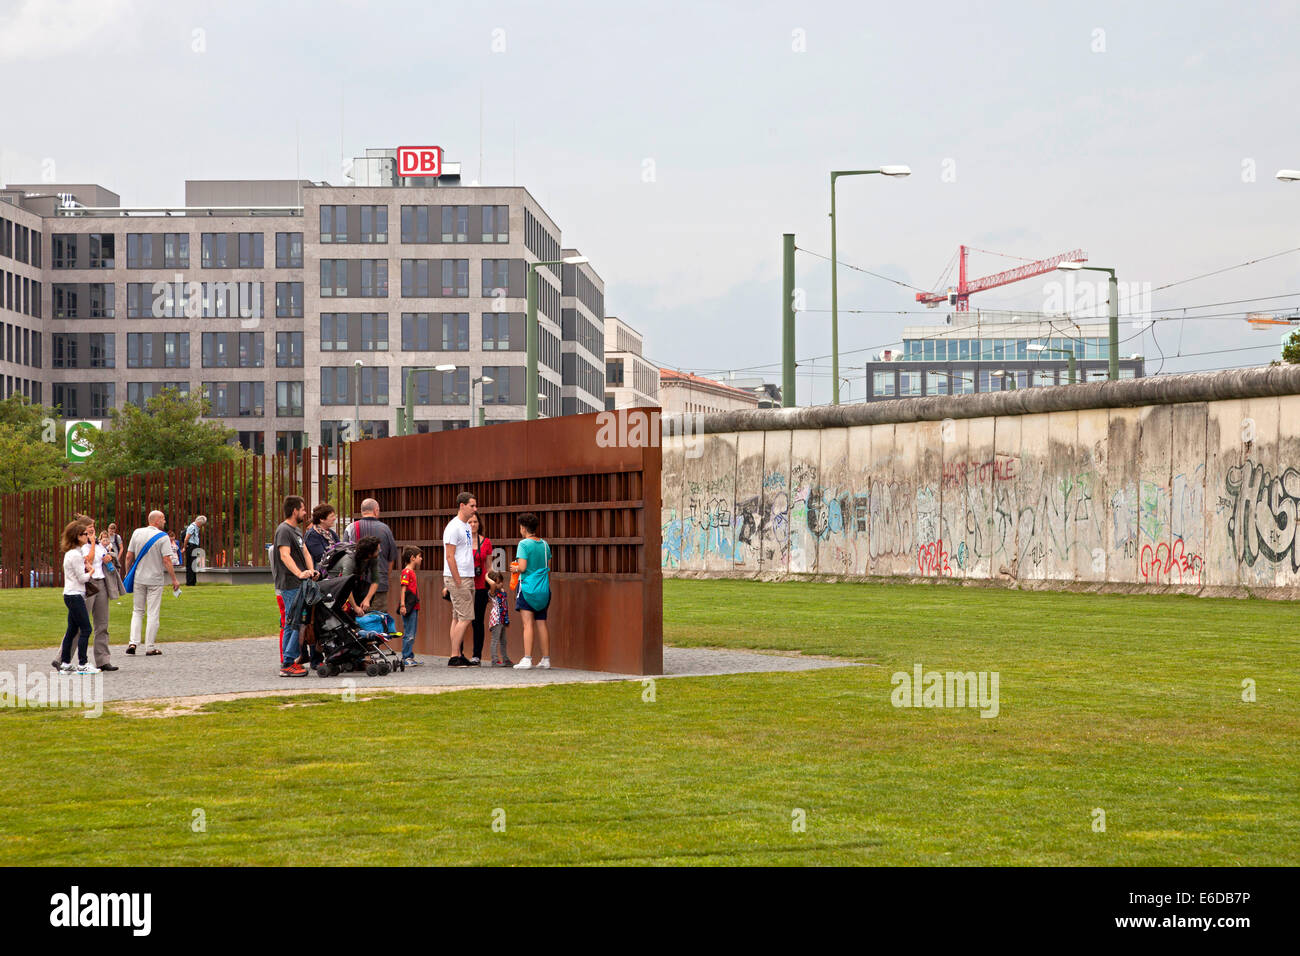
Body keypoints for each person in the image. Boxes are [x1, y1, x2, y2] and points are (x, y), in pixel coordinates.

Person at [123, 510, 182, 656]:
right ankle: (150, 646)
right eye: (163, 518)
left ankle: (133, 642)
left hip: (138, 578)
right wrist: (174, 579)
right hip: (155, 579)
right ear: (156, 521)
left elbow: (129, 556)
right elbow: (167, 560)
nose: (164, 521)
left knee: (137, 611)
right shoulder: (163, 537)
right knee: (153, 612)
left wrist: (127, 572)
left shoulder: (137, 532)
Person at [273, 495, 318, 677]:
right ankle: (288, 664)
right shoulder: (284, 530)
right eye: (303, 509)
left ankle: (288, 660)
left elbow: (305, 552)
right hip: (290, 584)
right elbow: (285, 555)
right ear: (295, 511)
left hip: (301, 584)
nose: (305, 512)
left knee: (296, 623)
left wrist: (311, 571)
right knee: (294, 624)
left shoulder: (296, 531)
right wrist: (299, 573)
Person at [55, 520, 97, 674]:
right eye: (85, 534)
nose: (87, 536)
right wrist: (91, 571)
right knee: (86, 628)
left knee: (72, 629)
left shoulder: (72, 553)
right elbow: (82, 578)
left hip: (71, 594)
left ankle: (65, 663)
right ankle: (82, 663)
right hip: (75, 594)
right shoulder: (75, 555)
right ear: (78, 536)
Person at [513, 512, 552, 670]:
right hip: (543, 589)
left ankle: (527, 658)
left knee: (527, 624)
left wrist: (513, 568)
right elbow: (547, 566)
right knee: (541, 623)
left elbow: (522, 567)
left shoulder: (523, 544)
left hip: (527, 587)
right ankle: (546, 659)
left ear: (523, 528)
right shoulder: (545, 544)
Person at [442, 491, 478, 667]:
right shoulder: (453, 527)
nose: (475, 509)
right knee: (466, 617)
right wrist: (457, 580)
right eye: (472, 505)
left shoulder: (465, 526)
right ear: (462, 506)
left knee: (458, 617)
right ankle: (454, 656)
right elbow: (450, 556)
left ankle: (457, 653)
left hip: (466, 575)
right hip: (459, 577)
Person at [344, 499, 398, 614]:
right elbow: (391, 558)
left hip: (354, 587)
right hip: (378, 585)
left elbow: (344, 553)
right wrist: (385, 577)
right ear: (376, 510)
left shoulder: (351, 528)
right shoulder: (385, 529)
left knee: (355, 623)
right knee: (377, 621)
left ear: (361, 511)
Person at [82, 526, 119, 671]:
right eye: (88, 528)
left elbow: (106, 559)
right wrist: (91, 543)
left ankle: (103, 660)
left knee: (102, 624)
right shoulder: (81, 546)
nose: (92, 530)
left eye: (93, 528)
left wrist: (108, 558)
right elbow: (88, 561)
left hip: (101, 583)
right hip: (88, 584)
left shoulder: (99, 545)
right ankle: (63, 658)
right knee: (80, 624)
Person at [467, 513, 492, 665]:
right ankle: (458, 653)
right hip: (465, 585)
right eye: (470, 522)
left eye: (475, 521)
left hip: (481, 585)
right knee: (462, 620)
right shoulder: (462, 541)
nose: (473, 524)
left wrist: (492, 585)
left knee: (478, 621)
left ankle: (477, 655)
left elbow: (488, 566)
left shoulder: (486, 542)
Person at [398, 546, 422, 667]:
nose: (421, 559)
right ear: (412, 558)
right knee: (409, 632)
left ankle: (410, 656)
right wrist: (403, 605)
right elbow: (403, 588)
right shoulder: (407, 572)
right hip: (409, 606)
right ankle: (406, 657)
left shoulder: (411, 572)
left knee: (412, 631)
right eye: (419, 556)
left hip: (414, 606)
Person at [485, 568, 512, 667]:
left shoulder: (501, 590)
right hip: (496, 619)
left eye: (501, 582)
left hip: (503, 618)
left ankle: (505, 659)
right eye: (498, 582)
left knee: (503, 641)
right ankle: (494, 660)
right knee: (495, 640)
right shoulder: (492, 592)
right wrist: (486, 575)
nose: (500, 584)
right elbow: (492, 584)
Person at [182, 515, 206, 587]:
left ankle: (193, 581)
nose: (201, 526)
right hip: (190, 546)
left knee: (194, 565)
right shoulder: (192, 527)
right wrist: (184, 547)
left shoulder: (196, 527)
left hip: (194, 546)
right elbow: (186, 538)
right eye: (201, 524)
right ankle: (189, 582)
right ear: (198, 522)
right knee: (190, 564)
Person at [102, 527, 125, 599]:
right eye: (110, 529)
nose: (111, 531)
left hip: (113, 557)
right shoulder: (103, 538)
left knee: (115, 573)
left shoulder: (116, 537)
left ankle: (117, 589)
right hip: (107, 558)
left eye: (113, 529)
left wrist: (118, 557)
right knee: (110, 573)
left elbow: (121, 547)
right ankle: (111, 589)